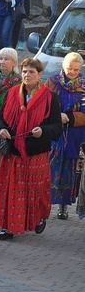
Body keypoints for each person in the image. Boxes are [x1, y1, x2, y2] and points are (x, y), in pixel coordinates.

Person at [0, 58, 62, 239]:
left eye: (32, 72)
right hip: (13, 152)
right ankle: (8, 228)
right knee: (11, 191)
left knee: (36, 192)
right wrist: (1, 130)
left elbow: (56, 128)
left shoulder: (50, 97)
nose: (27, 75)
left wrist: (43, 131)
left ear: (40, 75)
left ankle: (38, 217)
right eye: (24, 71)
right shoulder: (11, 93)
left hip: (36, 154)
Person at [45, 52, 85, 220]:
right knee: (50, 169)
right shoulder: (52, 83)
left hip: (76, 136)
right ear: (63, 66)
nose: (73, 72)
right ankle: (45, 205)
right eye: (70, 68)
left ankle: (63, 206)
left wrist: (70, 117)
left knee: (71, 171)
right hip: (55, 133)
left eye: (76, 69)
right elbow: (44, 105)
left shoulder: (83, 85)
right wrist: (57, 115)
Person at [0, 47, 21, 112]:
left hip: (6, 111)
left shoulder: (17, 80)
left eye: (6, 59)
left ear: (14, 63)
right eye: (0, 58)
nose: (2, 62)